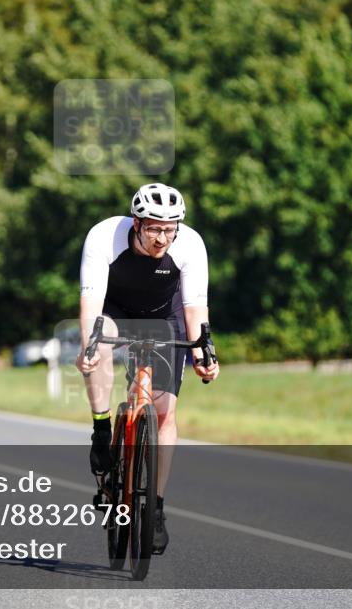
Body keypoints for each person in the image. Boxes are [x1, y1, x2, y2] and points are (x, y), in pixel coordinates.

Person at [76, 183, 219, 555]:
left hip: (163, 318)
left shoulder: (190, 244)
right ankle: (101, 427)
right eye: (155, 228)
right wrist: (87, 348)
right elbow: (90, 303)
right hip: (116, 312)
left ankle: (154, 508)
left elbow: (195, 309)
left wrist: (205, 354)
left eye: (170, 229)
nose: (162, 238)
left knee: (165, 410)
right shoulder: (104, 236)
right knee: (97, 344)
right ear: (136, 223)